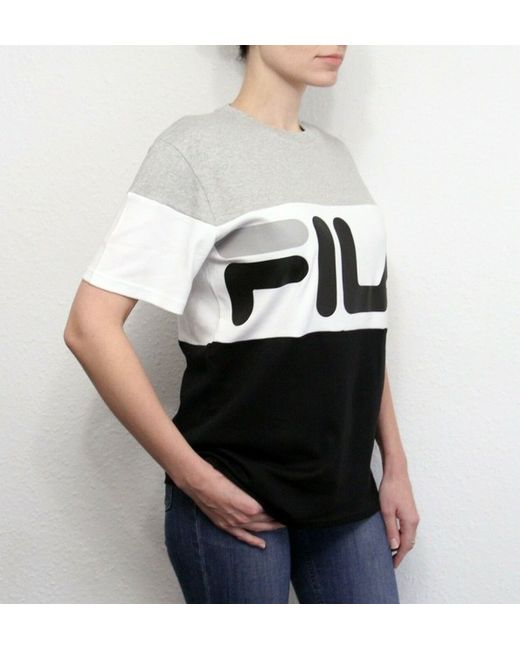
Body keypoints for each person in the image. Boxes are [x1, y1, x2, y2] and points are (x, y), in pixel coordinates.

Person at [64, 44, 420, 604]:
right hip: (236, 495)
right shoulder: (193, 149)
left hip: (345, 492)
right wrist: (193, 477)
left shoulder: (335, 157)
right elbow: (90, 327)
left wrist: (394, 465)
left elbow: (356, 325)